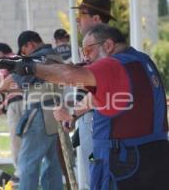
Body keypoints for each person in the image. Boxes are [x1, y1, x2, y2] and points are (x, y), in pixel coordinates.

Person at [11, 24, 169, 190]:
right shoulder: (140, 59)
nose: (86, 58)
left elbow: (68, 76)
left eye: (88, 50)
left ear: (108, 46)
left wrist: (27, 67)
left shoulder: (112, 64)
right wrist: (73, 114)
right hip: (154, 155)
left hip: (126, 161)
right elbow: (100, 97)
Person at [0, 30, 63, 190]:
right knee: (53, 165)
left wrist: (3, 85)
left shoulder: (39, 57)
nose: (24, 56)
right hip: (53, 114)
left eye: (24, 51)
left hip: (40, 113)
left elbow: (19, 79)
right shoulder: (52, 55)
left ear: (30, 45)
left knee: (27, 163)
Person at [70, 0, 117, 189]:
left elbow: (102, 91)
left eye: (82, 14)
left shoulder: (103, 46)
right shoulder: (103, 44)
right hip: (89, 118)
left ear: (96, 19)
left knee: (94, 181)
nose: (78, 20)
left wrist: (72, 113)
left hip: (93, 119)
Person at [0, 43, 23, 180]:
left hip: (15, 104)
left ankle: (20, 173)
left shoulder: (3, 65)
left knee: (16, 140)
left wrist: (0, 108)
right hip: (31, 102)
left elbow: (2, 90)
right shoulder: (22, 59)